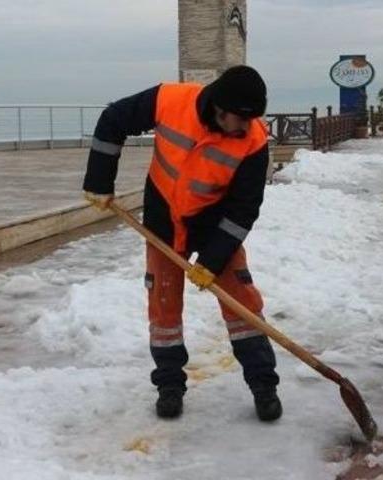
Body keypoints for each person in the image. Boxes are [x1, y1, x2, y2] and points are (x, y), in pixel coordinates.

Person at [82, 65, 282, 422]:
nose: (243, 128)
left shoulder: (253, 141)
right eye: (239, 119)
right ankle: (169, 386)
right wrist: (100, 180)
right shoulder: (170, 100)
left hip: (214, 224)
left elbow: (244, 207)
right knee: (164, 309)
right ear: (218, 108)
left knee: (242, 304)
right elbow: (113, 119)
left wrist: (214, 259)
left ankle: (264, 385)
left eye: (251, 120)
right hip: (163, 220)